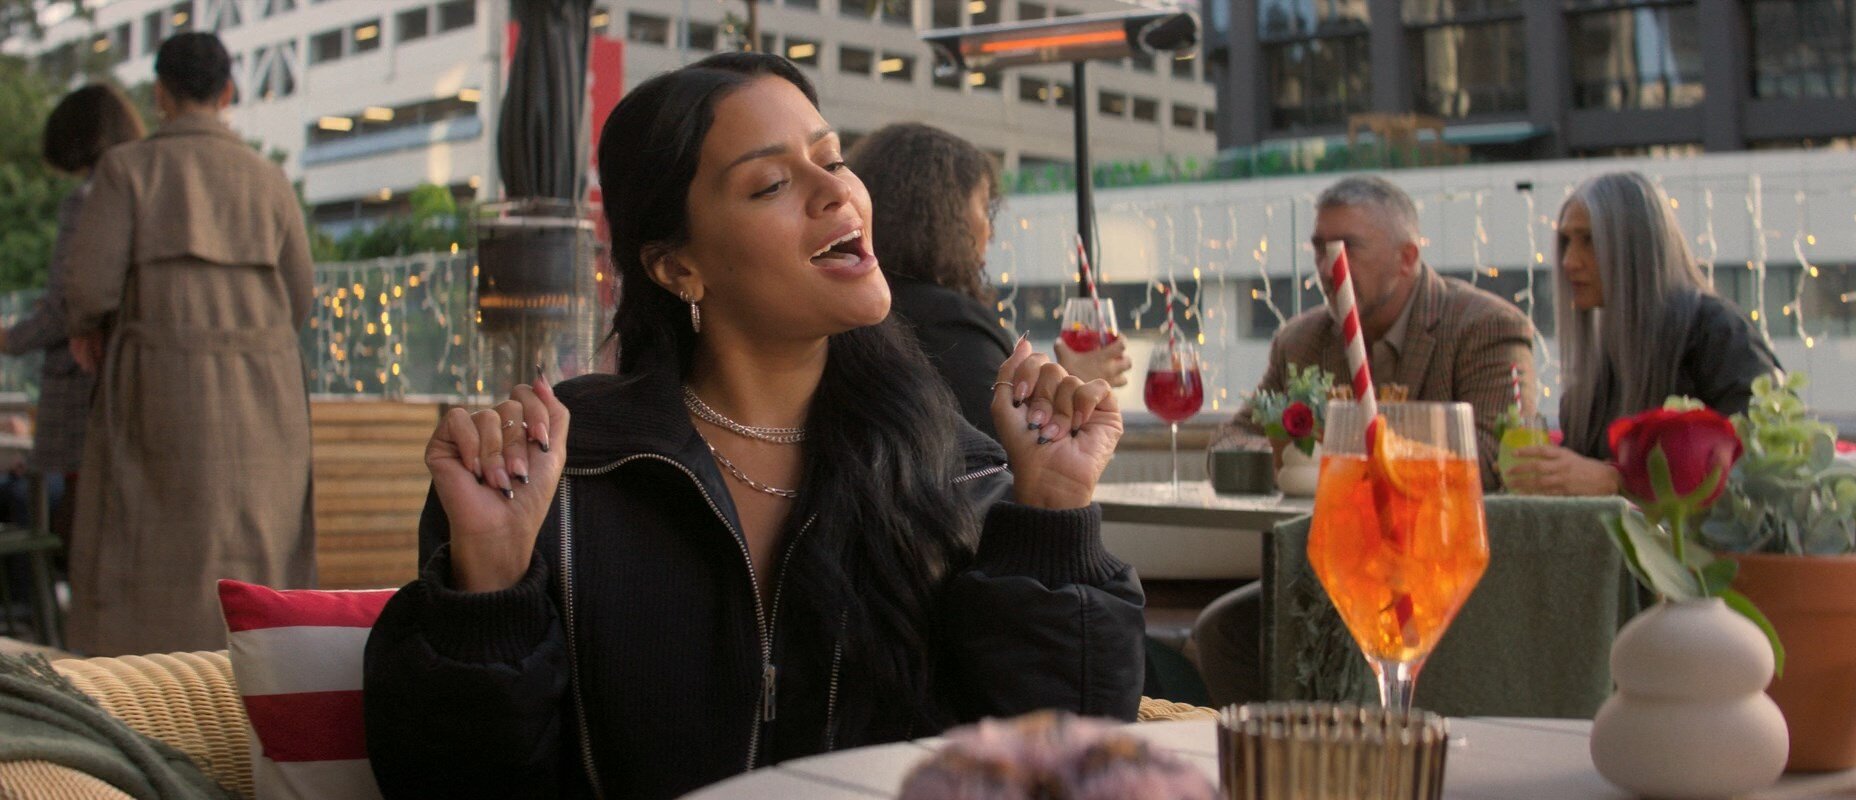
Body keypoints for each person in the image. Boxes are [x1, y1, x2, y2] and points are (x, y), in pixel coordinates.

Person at [362, 53, 1145, 799]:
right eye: (771, 183)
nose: (836, 191)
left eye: (832, 159)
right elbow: (458, 785)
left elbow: (1065, 760)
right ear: (677, 267)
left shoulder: (956, 471)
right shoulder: (561, 476)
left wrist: (1053, 512)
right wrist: (490, 591)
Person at [1194, 174, 1538, 706]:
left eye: (1346, 246)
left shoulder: (1486, 328)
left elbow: (1495, 459)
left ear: (1407, 258)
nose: (1326, 265)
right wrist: (1300, 458)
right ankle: (1303, 752)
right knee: (1223, 632)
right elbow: (1230, 443)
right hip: (1341, 571)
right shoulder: (1301, 341)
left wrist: (1356, 456)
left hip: (1444, 578)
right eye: (1318, 247)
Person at [61, 32, 316, 656]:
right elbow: (300, 295)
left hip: (159, 383)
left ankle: (147, 696)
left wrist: (87, 328)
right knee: (260, 548)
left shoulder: (128, 170)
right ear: (228, 92)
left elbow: (89, 287)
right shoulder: (270, 179)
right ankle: (251, 682)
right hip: (265, 393)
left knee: (142, 548)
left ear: (160, 94)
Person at [846, 122, 1129, 446]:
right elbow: (1006, 454)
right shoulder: (950, 322)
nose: (990, 233)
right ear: (944, 216)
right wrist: (1075, 388)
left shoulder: (860, 312)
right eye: (984, 207)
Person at [1504, 171, 1781, 496]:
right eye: (1566, 242)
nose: (1568, 261)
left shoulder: (1717, 333)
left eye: (1589, 240)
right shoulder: (1605, 361)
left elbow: (1763, 467)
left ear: (1636, 248)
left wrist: (1618, 481)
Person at [0, 85, 145, 556]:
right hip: (135, 377)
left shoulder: (87, 200)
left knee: (77, 523)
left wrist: (10, 339)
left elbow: (67, 304)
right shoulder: (148, 190)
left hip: (80, 381)